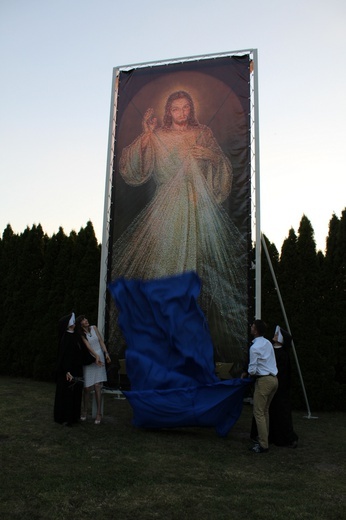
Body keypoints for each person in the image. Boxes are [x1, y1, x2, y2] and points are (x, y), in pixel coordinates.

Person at [111, 90, 248, 366]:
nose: (182, 114)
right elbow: (132, 169)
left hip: (197, 208)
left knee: (196, 268)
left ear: (191, 109)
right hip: (164, 210)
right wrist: (147, 134)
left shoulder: (204, 133)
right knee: (162, 266)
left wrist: (209, 154)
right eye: (176, 109)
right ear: (168, 112)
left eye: (186, 108)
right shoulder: (157, 134)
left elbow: (221, 168)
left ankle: (188, 338)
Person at [245, 319, 278, 453]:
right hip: (274, 380)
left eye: (252, 326)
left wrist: (248, 373)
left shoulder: (254, 347)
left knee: (258, 412)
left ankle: (263, 444)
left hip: (264, 381)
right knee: (264, 411)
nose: (251, 327)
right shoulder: (268, 343)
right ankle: (264, 439)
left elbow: (252, 370)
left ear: (256, 330)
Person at [75, 315, 111, 424]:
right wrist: (95, 356)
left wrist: (106, 353)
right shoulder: (82, 334)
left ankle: (98, 413)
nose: (86, 320)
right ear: (80, 324)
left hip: (100, 357)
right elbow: (88, 346)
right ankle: (84, 411)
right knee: (86, 388)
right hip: (90, 359)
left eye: (86, 319)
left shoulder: (94, 328)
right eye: (83, 320)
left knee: (97, 386)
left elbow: (101, 342)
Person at [268, 326, 299, 447]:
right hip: (274, 386)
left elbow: (282, 372)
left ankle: (286, 437)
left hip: (280, 389)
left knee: (282, 412)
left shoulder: (283, 355)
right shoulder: (272, 350)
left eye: (277, 334)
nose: (275, 335)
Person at [53, 312, 84, 426]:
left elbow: (80, 352)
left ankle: (74, 416)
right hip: (67, 372)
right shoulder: (65, 338)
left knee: (75, 393)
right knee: (66, 394)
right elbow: (64, 356)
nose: (75, 323)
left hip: (76, 369)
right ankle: (65, 417)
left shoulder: (75, 335)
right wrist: (67, 371)